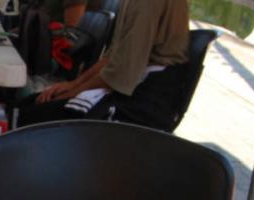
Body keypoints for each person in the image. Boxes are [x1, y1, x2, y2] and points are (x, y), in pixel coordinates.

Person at [17, 0, 189, 130]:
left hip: (146, 100)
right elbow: (113, 56)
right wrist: (73, 85)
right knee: (28, 106)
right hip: (133, 83)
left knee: (31, 118)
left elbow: (121, 73)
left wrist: (70, 93)